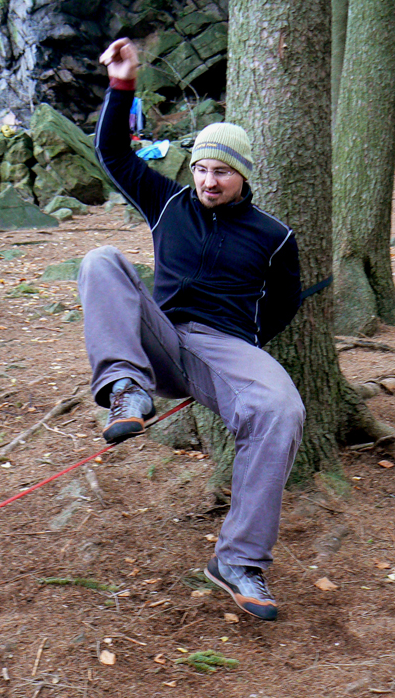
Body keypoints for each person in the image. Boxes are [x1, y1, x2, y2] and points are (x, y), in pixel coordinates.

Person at [78, 38, 306, 622]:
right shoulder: (168, 202)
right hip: (157, 336)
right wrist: (121, 85)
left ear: (243, 176)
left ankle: (239, 559)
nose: (209, 180)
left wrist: (241, 358)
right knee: (101, 259)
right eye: (202, 168)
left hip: (224, 347)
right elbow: (112, 154)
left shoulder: (274, 236)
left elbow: (281, 307)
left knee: (279, 409)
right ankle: (126, 390)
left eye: (222, 172)